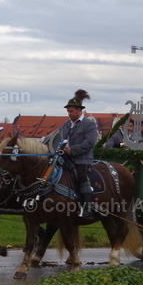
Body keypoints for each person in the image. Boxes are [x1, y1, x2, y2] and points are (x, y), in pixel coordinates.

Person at [55, 89, 99, 218]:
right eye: (68, 111)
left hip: (82, 159)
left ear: (79, 110)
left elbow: (89, 143)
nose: (69, 114)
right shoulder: (65, 124)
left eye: (71, 111)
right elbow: (58, 138)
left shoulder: (89, 125)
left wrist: (72, 150)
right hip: (64, 157)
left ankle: (87, 208)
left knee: (81, 178)